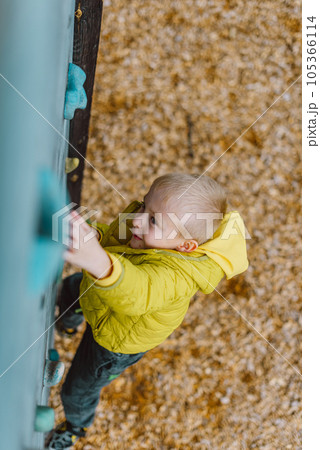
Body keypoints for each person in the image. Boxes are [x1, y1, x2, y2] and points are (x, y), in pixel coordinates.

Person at [46, 173, 248, 449]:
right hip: (102, 296)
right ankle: (68, 324)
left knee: (77, 389)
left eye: (153, 220)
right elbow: (114, 242)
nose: (138, 219)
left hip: (115, 341)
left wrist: (100, 263)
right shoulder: (143, 232)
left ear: (184, 246)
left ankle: (74, 428)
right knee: (72, 291)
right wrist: (95, 236)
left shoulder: (178, 277)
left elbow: (138, 292)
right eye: (143, 205)